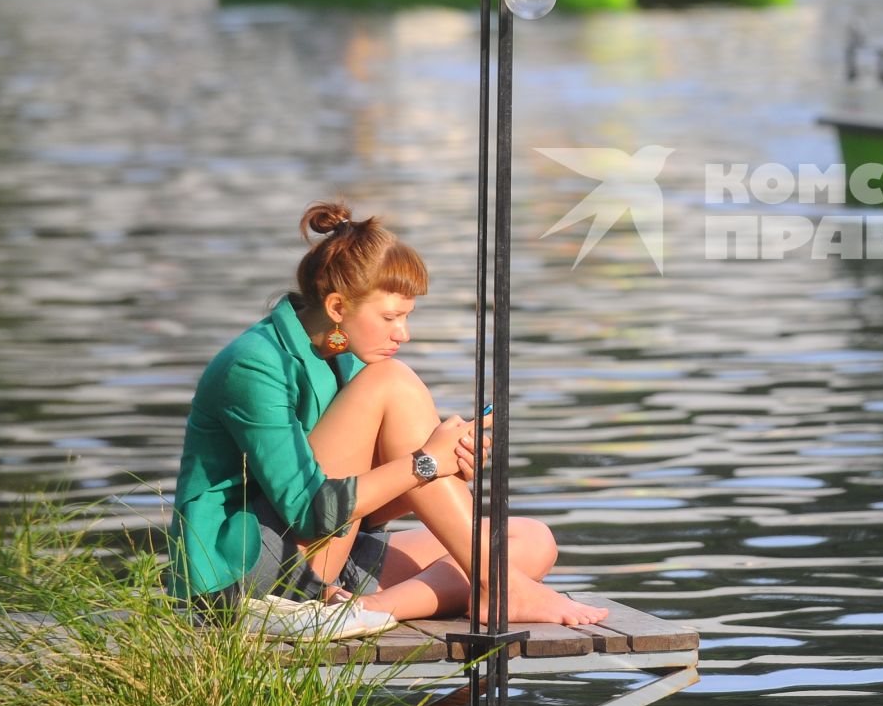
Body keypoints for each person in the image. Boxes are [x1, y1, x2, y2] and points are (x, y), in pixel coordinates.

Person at [167, 200, 607, 636]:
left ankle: (363, 610)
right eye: (391, 317)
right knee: (392, 381)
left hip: (323, 559)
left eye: (407, 317)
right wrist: (423, 464)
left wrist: (442, 463)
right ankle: (499, 585)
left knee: (531, 540)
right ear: (338, 308)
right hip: (240, 578)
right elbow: (308, 512)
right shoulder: (255, 364)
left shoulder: (347, 354)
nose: (404, 333)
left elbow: (364, 508)